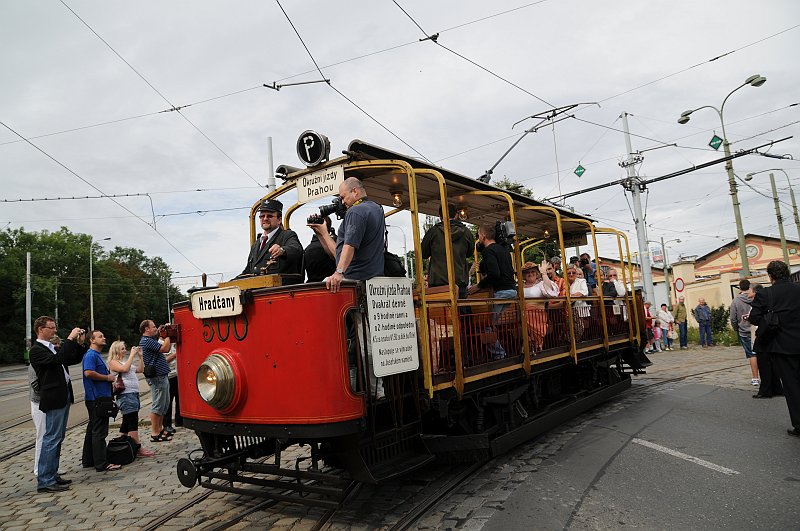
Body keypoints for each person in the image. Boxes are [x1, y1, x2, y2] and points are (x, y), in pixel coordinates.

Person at [28, 317, 87, 493]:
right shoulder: (37, 350)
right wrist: (69, 338)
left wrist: (79, 344)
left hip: (62, 396)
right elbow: (58, 360)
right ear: (40, 329)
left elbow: (71, 359)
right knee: (51, 438)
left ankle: (52, 474)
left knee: (57, 438)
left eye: (55, 327)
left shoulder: (51, 348)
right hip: (53, 397)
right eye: (51, 328)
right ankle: (45, 480)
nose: (55, 331)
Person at [748, 260, 800, 437]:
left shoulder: (765, 294)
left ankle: (799, 424)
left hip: (782, 346)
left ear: (770, 276)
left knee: (792, 386)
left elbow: (755, 318)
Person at [325, 177, 386, 293]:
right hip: (375, 279)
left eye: (343, 197)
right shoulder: (377, 208)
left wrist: (339, 272)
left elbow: (349, 245)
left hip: (356, 280)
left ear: (355, 192)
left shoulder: (355, 211)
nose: (342, 202)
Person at [468, 223, 517, 360]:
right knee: (489, 323)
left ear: (483, 236)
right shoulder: (503, 250)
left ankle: (500, 355)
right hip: (511, 291)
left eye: (478, 236)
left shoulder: (488, 251)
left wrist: (478, 286)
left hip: (501, 292)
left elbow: (494, 274)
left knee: (483, 325)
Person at [81, 330, 121, 472]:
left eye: (103, 335)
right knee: (99, 432)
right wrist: (107, 378)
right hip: (97, 398)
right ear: (92, 340)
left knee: (93, 429)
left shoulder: (95, 355)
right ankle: (101, 463)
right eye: (100, 336)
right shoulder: (91, 355)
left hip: (97, 397)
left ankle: (88, 460)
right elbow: (88, 372)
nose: (103, 338)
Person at [108, 341, 154, 457]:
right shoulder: (113, 362)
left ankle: (124, 445)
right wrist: (132, 355)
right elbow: (123, 369)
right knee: (132, 420)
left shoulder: (125, 362)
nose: (126, 350)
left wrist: (140, 356)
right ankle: (138, 447)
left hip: (133, 394)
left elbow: (140, 369)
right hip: (125, 395)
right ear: (117, 350)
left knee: (127, 421)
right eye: (123, 349)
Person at [421, 203, 475, 298]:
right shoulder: (466, 232)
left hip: (438, 284)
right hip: (460, 282)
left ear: (440, 216)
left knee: (442, 312)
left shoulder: (433, 232)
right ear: (456, 215)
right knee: (462, 311)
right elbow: (469, 254)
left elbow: (423, 253)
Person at [241, 199, 303, 278]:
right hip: (258, 289)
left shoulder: (287, 235)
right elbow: (248, 271)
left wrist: (282, 250)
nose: (265, 218)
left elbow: (296, 249)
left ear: (279, 220)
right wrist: (227, 285)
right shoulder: (256, 244)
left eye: (269, 216)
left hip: (279, 289)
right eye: (262, 216)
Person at [29, 335, 61, 477]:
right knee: (43, 435)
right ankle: (39, 468)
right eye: (56, 346)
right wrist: (50, 393)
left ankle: (50, 467)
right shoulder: (37, 359)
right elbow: (35, 383)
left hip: (50, 401)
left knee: (52, 435)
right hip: (40, 402)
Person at [139, 320, 176, 442]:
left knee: (164, 404)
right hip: (157, 377)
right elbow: (165, 348)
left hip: (161, 375)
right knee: (158, 404)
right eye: (153, 327)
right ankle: (155, 433)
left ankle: (160, 429)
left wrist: (162, 334)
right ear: (146, 329)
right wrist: (167, 335)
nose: (156, 328)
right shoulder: (147, 341)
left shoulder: (150, 340)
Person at [521, 260, 558, 351]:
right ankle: (529, 348)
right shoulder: (520, 287)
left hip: (537, 314)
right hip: (523, 314)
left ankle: (538, 346)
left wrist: (544, 273)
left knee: (538, 333)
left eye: (533, 271)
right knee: (526, 332)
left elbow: (552, 292)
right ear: (524, 275)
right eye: (528, 272)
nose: (530, 274)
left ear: (537, 273)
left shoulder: (541, 284)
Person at [730, 279, 759, 386]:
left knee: (752, 355)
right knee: (761, 353)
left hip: (744, 331)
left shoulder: (736, 301)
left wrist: (736, 328)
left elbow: (733, 318)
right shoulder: (755, 297)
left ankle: (755, 378)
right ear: (749, 286)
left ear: (740, 287)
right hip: (757, 329)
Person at [304, 215, 336, 282]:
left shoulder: (308, 249)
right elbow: (340, 257)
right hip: (333, 285)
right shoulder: (338, 244)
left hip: (311, 286)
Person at [163, 346, 181, 434]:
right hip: (169, 376)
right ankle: (167, 424)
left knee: (179, 398)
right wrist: (174, 355)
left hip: (177, 374)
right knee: (168, 401)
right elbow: (163, 361)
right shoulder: (161, 345)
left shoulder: (172, 344)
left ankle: (179, 419)